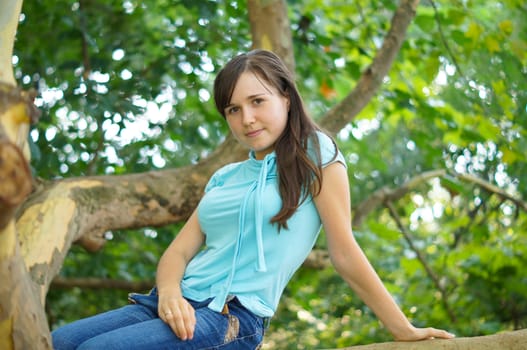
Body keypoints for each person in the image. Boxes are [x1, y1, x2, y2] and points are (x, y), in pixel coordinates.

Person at [52, 49, 455, 349]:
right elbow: (177, 254)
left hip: (228, 317)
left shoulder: (316, 152)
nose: (246, 119)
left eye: (257, 101)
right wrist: (170, 293)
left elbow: (344, 251)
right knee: (51, 341)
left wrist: (403, 329)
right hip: (167, 303)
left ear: (285, 96)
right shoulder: (226, 176)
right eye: (233, 109)